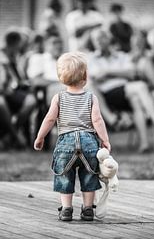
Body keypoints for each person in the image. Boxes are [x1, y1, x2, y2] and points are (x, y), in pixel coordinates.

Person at [34, 51, 110, 221]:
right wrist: (105, 139)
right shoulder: (91, 97)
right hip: (88, 141)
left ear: (60, 77)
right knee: (89, 174)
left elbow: (50, 118)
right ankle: (88, 208)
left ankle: (67, 209)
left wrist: (40, 137)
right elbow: (97, 120)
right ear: (85, 76)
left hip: (65, 142)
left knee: (64, 174)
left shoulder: (58, 97)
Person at [88, 28, 154, 152]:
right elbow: (95, 77)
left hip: (125, 91)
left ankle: (144, 144)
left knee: (136, 99)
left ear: (108, 39)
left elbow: (131, 73)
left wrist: (108, 72)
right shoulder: (91, 59)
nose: (99, 41)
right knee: (141, 86)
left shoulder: (121, 56)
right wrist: (119, 73)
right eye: (95, 40)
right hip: (106, 94)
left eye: (101, 38)